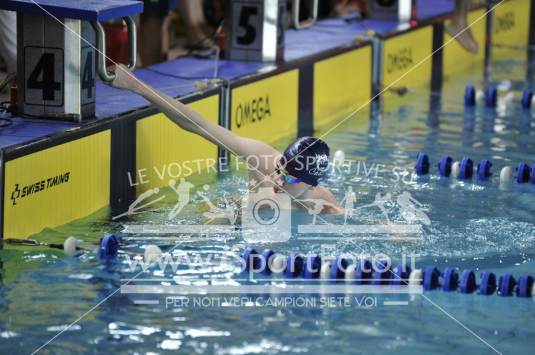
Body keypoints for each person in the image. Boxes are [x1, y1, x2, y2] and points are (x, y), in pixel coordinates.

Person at [110, 64, 342, 214]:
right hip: (224, 218)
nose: (278, 180)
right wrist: (137, 86)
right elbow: (198, 124)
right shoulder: (262, 159)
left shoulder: (322, 205)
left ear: (311, 183)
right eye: (280, 169)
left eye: (290, 180)